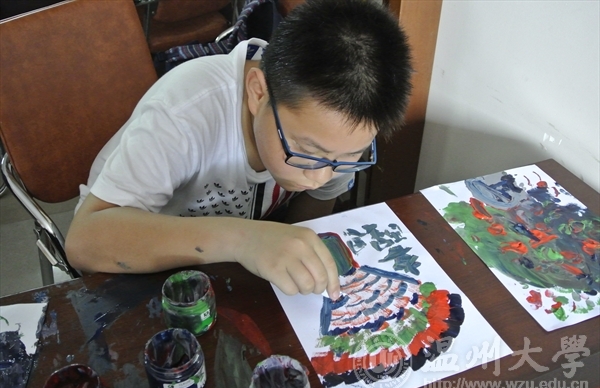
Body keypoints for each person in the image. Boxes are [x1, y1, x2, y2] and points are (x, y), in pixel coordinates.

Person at [65, 0, 412, 300]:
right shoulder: (185, 111)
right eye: (305, 151)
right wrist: (244, 241)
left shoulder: (333, 140)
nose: (320, 176)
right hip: (138, 259)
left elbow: (316, 204)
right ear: (258, 92)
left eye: (349, 158)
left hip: (229, 266)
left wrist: (291, 252)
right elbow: (84, 243)